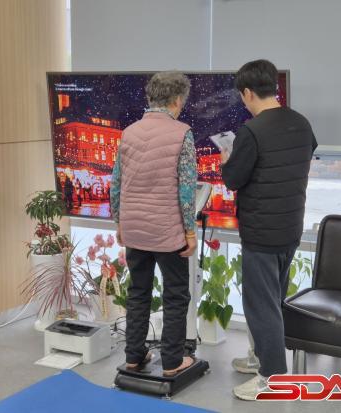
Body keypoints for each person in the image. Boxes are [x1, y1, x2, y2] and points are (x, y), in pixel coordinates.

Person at [222, 59, 318, 400]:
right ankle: (262, 358)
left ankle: (272, 377)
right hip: (290, 228)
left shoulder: (252, 131)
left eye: (242, 95)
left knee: (261, 306)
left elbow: (233, 179)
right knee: (273, 300)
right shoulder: (301, 123)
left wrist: (227, 159)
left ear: (248, 92)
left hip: (262, 231)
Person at [110, 71, 198, 376]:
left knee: (138, 292)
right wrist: (190, 231)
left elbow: (116, 183)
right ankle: (172, 361)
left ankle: (134, 355)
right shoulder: (182, 133)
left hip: (134, 228)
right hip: (167, 231)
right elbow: (187, 188)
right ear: (177, 100)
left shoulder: (128, 133)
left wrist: (119, 222)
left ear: (151, 98)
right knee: (175, 294)